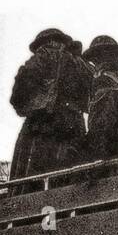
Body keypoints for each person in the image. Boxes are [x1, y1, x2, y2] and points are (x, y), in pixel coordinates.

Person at [9, 28, 92, 183]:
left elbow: (17, 96)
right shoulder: (81, 63)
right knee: (71, 175)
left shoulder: (41, 57)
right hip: (74, 124)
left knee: (32, 178)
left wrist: (32, 106)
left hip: (41, 126)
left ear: (42, 43)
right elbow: (92, 93)